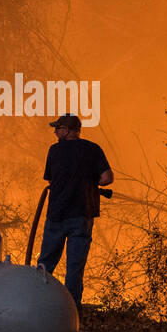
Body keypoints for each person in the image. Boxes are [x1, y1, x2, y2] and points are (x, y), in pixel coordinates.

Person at [38, 113, 113, 308]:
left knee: (46, 263)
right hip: (82, 215)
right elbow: (107, 178)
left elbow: (50, 180)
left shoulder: (54, 151)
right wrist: (89, 182)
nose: (55, 132)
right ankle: (70, 313)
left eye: (57, 129)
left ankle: (37, 304)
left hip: (57, 215)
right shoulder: (93, 149)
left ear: (66, 131)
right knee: (75, 267)